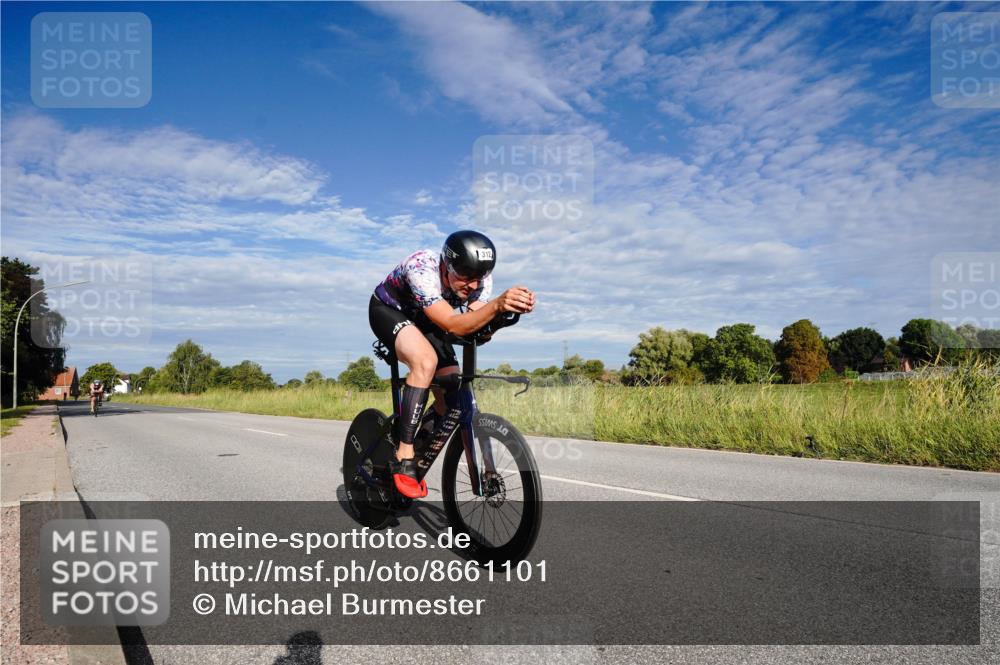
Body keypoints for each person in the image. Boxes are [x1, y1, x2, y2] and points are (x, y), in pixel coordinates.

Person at [369, 230, 535, 498]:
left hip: (429, 320)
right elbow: (452, 324)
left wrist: (501, 317)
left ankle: (418, 443)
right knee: (425, 361)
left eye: (478, 277)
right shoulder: (421, 267)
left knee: (453, 393)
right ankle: (404, 453)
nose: (472, 285)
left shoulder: (481, 281)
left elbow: (475, 328)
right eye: (465, 276)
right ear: (446, 265)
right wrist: (496, 306)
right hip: (391, 311)